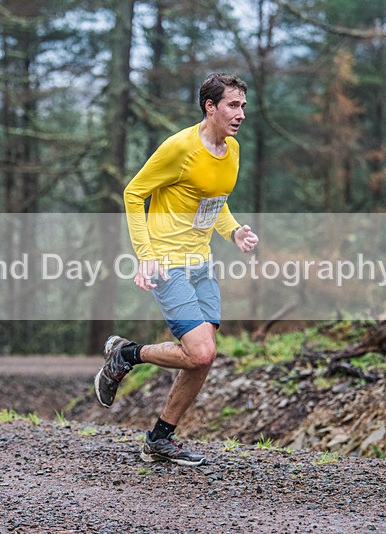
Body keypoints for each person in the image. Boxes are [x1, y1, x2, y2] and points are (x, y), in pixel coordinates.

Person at [94, 73, 259, 466]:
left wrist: (233, 231)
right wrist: (145, 254)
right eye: (233, 105)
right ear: (210, 107)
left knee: (203, 355)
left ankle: (159, 438)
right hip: (168, 261)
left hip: (202, 262)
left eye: (243, 106)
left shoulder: (231, 150)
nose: (240, 114)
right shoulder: (179, 148)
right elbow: (134, 193)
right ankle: (127, 354)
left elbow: (213, 203)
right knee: (200, 353)